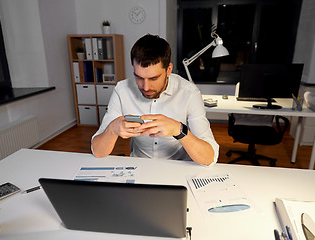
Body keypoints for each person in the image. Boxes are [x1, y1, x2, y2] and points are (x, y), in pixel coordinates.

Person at [91, 34, 219, 166]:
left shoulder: (190, 93)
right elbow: (98, 151)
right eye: (139, 77)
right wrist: (112, 129)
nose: (145, 87)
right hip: (139, 168)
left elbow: (210, 157)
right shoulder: (122, 90)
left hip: (178, 168)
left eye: (153, 78)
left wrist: (178, 130)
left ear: (168, 69)